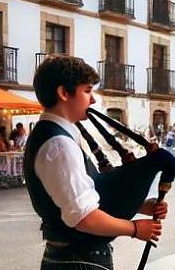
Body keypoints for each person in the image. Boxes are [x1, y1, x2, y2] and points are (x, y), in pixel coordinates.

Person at [24, 56, 165, 269]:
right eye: (87, 91)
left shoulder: (56, 136)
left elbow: (87, 198)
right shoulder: (59, 145)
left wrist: (140, 206)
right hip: (78, 261)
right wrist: (134, 229)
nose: (93, 100)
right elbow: (84, 218)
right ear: (63, 93)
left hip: (72, 257)